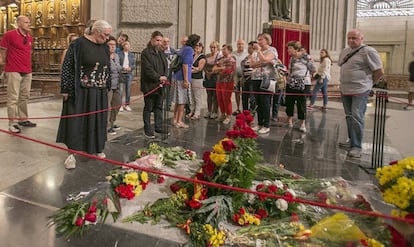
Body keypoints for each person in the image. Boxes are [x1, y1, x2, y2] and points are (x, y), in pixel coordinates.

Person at [56, 19, 112, 169]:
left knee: (98, 120)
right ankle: (71, 155)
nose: (107, 38)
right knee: (76, 122)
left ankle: (97, 148)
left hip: (99, 92)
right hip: (80, 91)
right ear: (96, 32)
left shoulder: (105, 47)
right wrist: (66, 88)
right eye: (105, 35)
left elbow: (107, 67)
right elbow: (68, 67)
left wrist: (108, 85)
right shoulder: (78, 44)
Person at [338, 29, 384, 158]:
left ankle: (357, 147)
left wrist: (369, 85)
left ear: (361, 38)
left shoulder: (369, 51)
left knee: (357, 116)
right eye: (349, 38)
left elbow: (379, 71)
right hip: (345, 89)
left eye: (354, 38)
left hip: (360, 90)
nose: (351, 40)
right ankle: (351, 140)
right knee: (349, 116)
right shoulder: (346, 51)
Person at [0, 15, 36, 133]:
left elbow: (28, 53)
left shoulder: (30, 38)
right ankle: (12, 123)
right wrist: (4, 65)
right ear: (19, 23)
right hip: (13, 69)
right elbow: (3, 51)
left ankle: (23, 119)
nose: (28, 24)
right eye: (26, 22)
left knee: (24, 96)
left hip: (27, 70)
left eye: (29, 22)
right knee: (13, 98)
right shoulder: (9, 35)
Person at [249, 33, 279, 134]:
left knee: (265, 102)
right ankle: (260, 123)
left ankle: (266, 125)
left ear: (267, 40)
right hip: (255, 78)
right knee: (258, 102)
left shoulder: (272, 50)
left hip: (267, 79)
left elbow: (265, 59)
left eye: (260, 39)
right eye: (258, 40)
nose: (258, 42)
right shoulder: (255, 52)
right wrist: (262, 62)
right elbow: (252, 65)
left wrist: (259, 54)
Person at [141, 31, 168, 138]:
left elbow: (166, 66)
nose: (159, 42)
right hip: (149, 86)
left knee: (159, 107)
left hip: (160, 86)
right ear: (152, 39)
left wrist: (165, 77)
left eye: (160, 40)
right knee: (148, 108)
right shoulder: (146, 53)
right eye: (157, 40)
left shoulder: (161, 52)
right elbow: (148, 69)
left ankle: (158, 127)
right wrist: (158, 77)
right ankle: (147, 129)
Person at [285, 41, 315, 133]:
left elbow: (313, 69)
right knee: (289, 101)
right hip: (292, 82)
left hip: (303, 82)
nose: (288, 50)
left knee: (301, 103)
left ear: (296, 49)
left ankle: (302, 123)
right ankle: (289, 120)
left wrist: (307, 75)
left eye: (290, 48)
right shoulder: (292, 58)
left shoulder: (306, 57)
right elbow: (291, 70)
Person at [172, 34, 200, 128]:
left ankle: (175, 119)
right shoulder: (189, 50)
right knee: (182, 101)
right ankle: (179, 121)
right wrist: (186, 80)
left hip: (178, 76)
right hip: (182, 78)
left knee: (178, 101)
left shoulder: (184, 48)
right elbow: (185, 65)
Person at [213, 44, 236, 125]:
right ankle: (222, 114)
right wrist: (220, 69)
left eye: (224, 49)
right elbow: (214, 69)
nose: (222, 51)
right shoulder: (220, 58)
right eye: (222, 49)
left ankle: (228, 116)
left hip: (228, 81)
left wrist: (219, 69)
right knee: (219, 98)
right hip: (219, 81)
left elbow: (227, 70)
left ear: (229, 50)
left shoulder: (232, 59)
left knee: (226, 99)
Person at [107, 36, 123, 135]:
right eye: (110, 45)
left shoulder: (116, 56)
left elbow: (118, 67)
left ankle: (112, 122)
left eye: (114, 45)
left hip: (116, 84)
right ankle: (107, 126)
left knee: (117, 103)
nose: (113, 47)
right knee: (107, 107)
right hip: (108, 85)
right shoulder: (104, 56)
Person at [203, 41, 221, 119]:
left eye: (214, 47)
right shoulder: (207, 56)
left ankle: (215, 111)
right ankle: (209, 110)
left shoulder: (219, 56)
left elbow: (219, 67)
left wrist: (212, 72)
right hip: (207, 76)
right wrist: (206, 72)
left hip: (215, 77)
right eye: (211, 47)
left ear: (217, 48)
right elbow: (203, 65)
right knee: (209, 95)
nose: (212, 49)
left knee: (215, 95)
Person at [189, 42, 206, 120]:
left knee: (197, 96)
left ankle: (197, 113)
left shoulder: (202, 57)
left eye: (199, 46)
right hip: (190, 77)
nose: (197, 47)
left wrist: (190, 70)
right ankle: (192, 111)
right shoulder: (192, 55)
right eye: (196, 46)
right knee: (191, 96)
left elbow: (199, 69)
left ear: (202, 48)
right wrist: (192, 68)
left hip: (197, 78)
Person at [117, 40, 136, 112]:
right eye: (126, 45)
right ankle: (120, 105)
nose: (127, 46)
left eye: (128, 45)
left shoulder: (131, 55)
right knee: (121, 90)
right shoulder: (119, 54)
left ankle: (127, 104)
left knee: (128, 89)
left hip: (129, 73)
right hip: (121, 73)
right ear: (123, 46)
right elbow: (118, 63)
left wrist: (130, 68)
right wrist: (122, 68)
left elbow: (134, 64)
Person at [232, 39, 248, 116]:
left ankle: (245, 109)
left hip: (244, 75)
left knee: (244, 93)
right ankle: (238, 108)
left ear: (244, 45)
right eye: (239, 44)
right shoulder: (233, 53)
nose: (240, 45)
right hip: (235, 74)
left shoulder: (247, 54)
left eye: (242, 44)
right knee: (236, 92)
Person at [241, 41, 257, 112]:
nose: (248, 49)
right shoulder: (246, 57)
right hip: (245, 78)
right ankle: (245, 111)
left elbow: (257, 68)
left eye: (250, 48)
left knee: (252, 97)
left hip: (252, 79)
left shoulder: (256, 56)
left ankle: (251, 112)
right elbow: (243, 68)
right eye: (248, 48)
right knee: (244, 96)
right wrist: (242, 77)